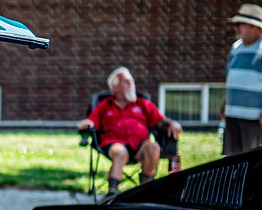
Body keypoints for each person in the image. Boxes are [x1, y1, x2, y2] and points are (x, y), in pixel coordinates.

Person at [78, 66, 183, 198]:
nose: (131, 84)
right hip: (114, 144)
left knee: (153, 146)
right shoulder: (105, 105)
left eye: (131, 81)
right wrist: (87, 123)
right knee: (120, 152)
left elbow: (160, 121)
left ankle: (145, 189)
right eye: (126, 81)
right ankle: (112, 192)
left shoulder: (143, 103)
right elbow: (92, 121)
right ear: (115, 87)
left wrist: (171, 123)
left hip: (141, 146)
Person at [222, 3, 262, 156]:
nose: (238, 28)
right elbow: (232, 80)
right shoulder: (236, 47)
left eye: (242, 24)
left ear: (254, 26)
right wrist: (225, 105)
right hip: (232, 115)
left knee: (255, 158)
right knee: (231, 160)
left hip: (254, 117)